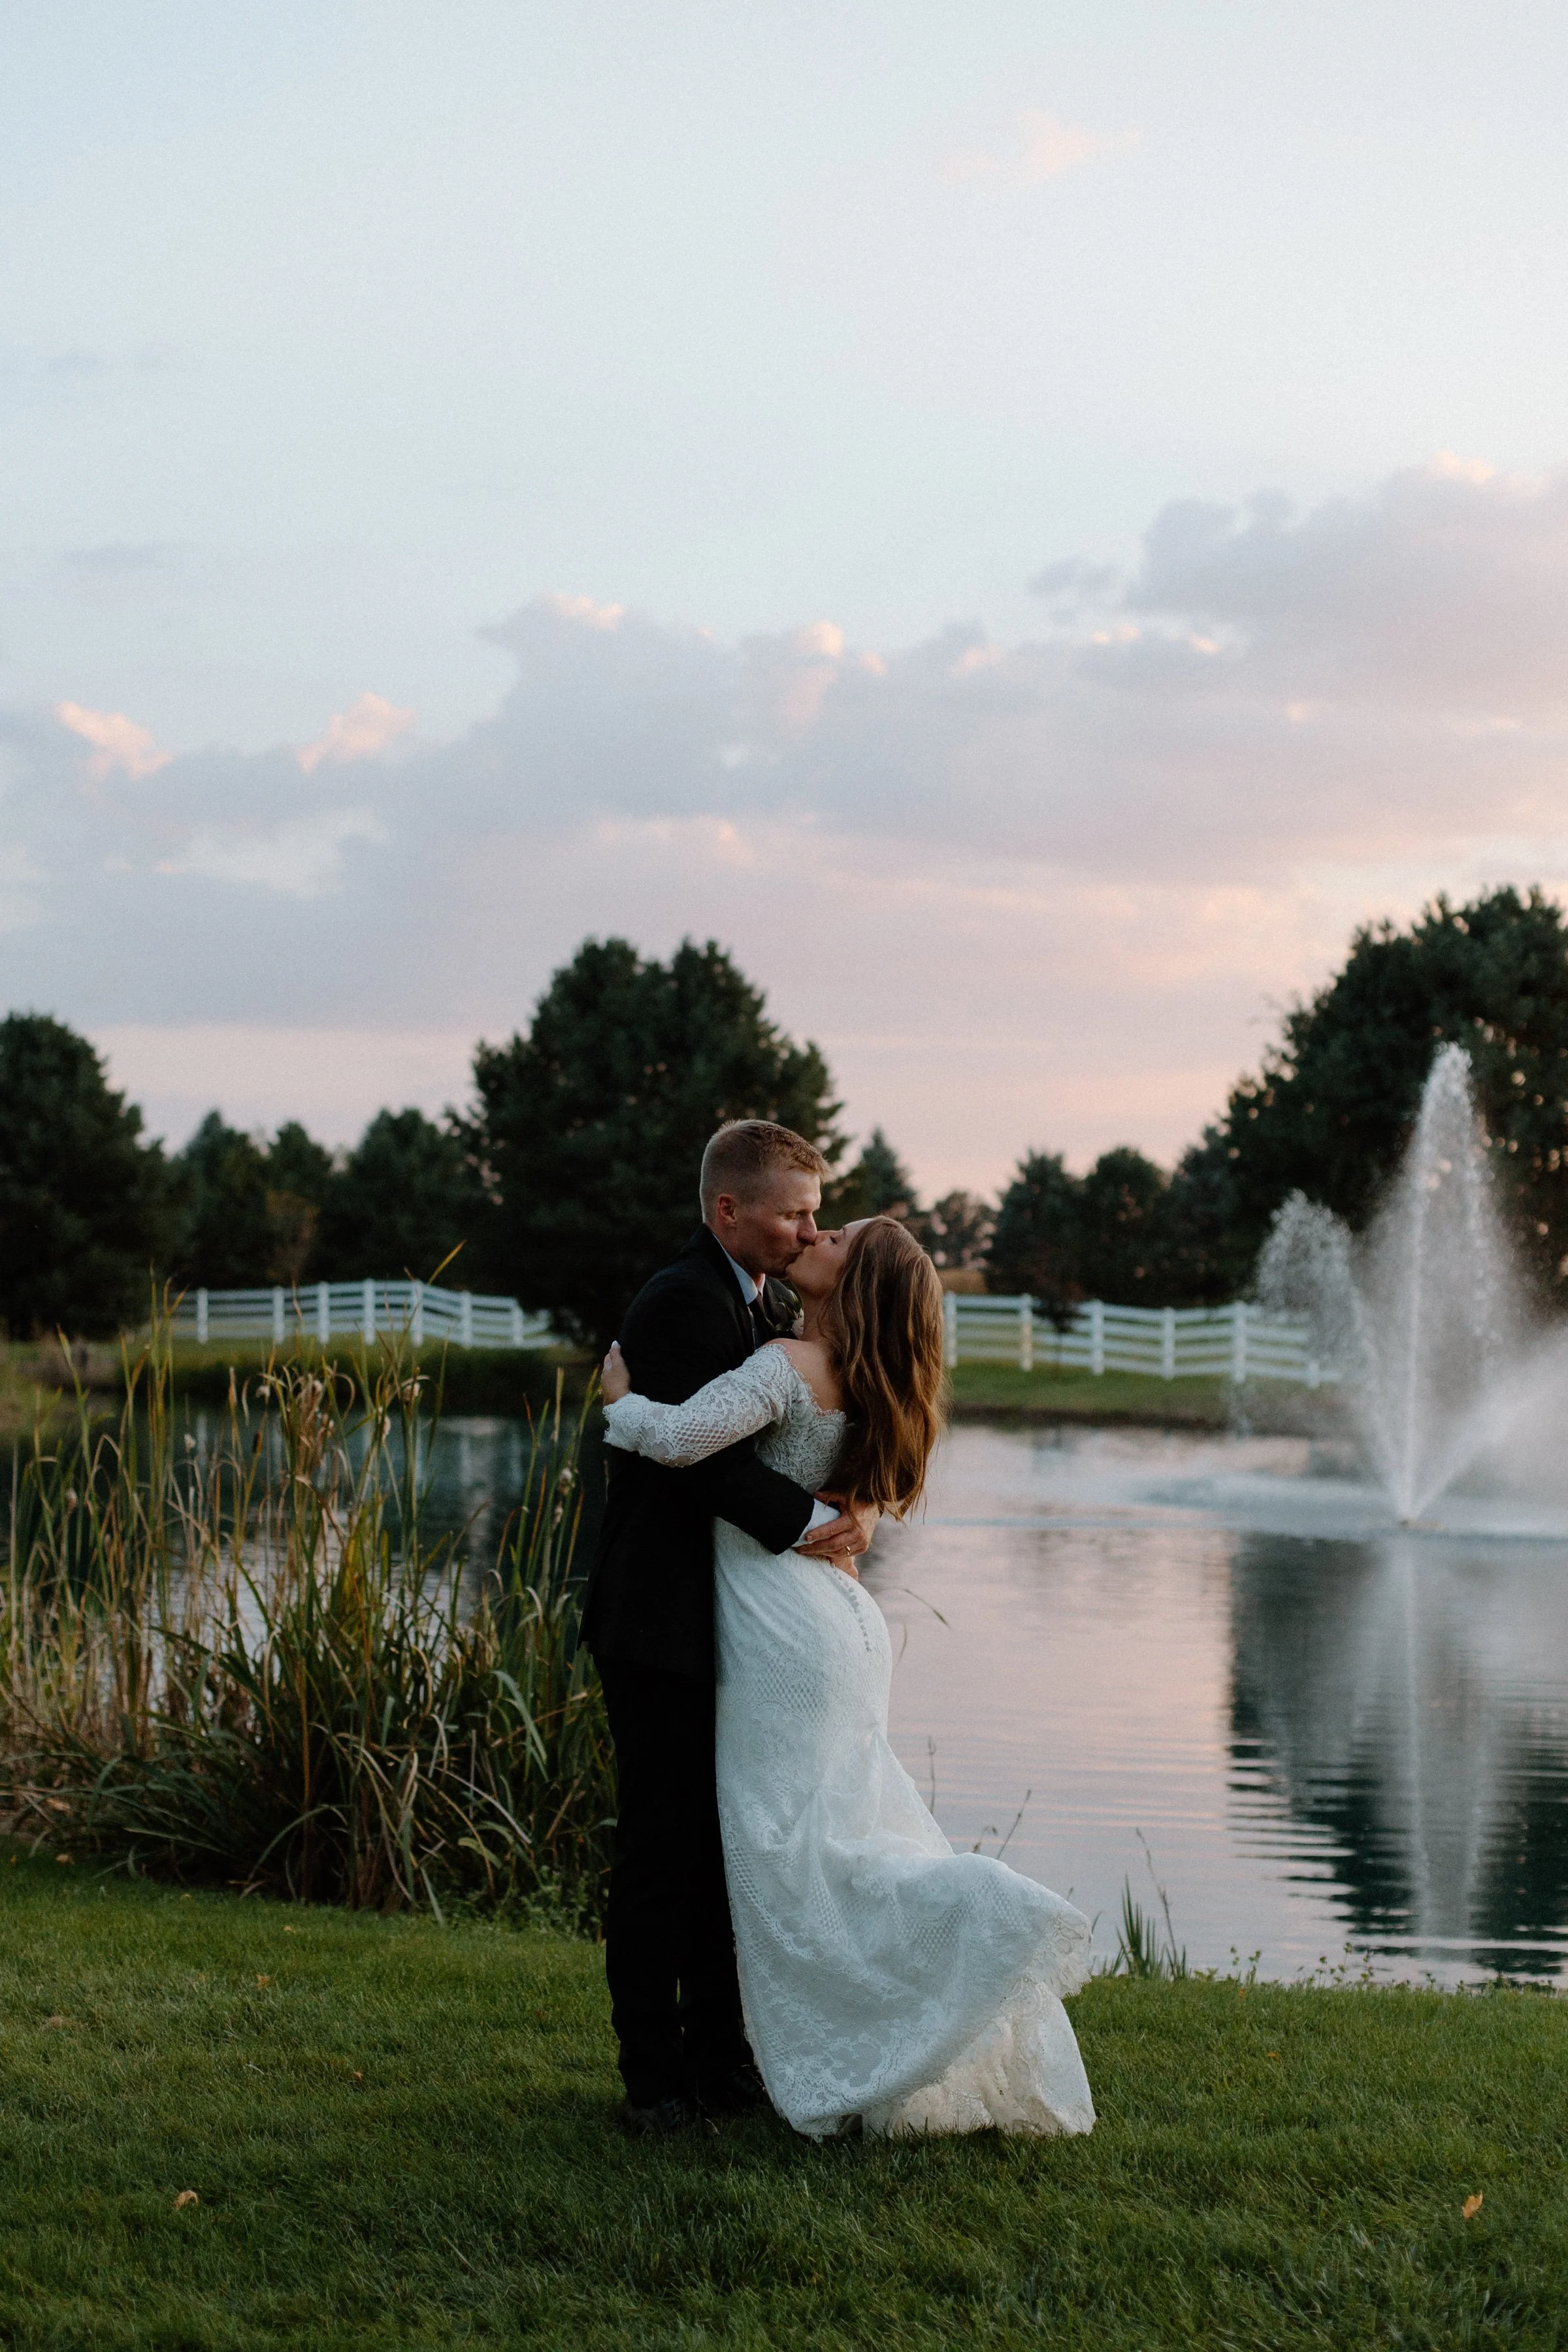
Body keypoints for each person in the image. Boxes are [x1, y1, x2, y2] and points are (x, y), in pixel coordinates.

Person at [600, 1211, 1096, 2140]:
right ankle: (805, 2034)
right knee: (834, 1832)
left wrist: (620, 1402)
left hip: (781, 1630)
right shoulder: (878, 1385)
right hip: (843, 1627)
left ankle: (976, 1914)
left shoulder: (790, 1363)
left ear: (856, 1282)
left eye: (835, 1239)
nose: (813, 1236)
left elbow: (677, 1442)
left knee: (793, 1851)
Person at [578, 1119, 879, 2136]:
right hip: (659, 1621)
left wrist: (855, 1500)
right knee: (664, 1852)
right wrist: (814, 1525)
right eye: (795, 1212)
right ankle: (653, 2081)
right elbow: (697, 1457)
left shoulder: (764, 1303)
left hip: (732, 1624)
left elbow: (790, 1425)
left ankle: (723, 2062)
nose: (809, 1228)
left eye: (815, 1211)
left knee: (723, 1851)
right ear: (729, 1212)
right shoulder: (682, 1302)